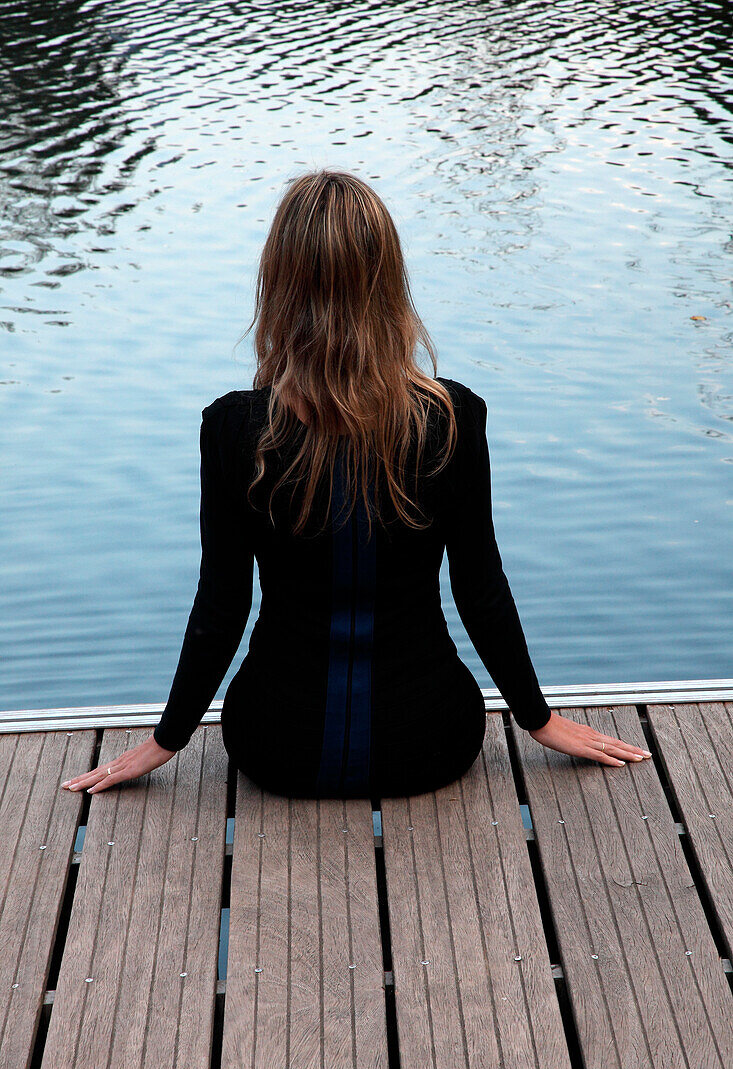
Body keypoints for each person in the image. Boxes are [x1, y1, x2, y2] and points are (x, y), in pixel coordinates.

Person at [61, 169, 651, 797]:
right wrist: (539, 719)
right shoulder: (451, 420)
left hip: (275, 743)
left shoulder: (233, 428)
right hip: (428, 739)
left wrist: (166, 738)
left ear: (277, 284)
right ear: (390, 283)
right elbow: (480, 587)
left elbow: (221, 604)